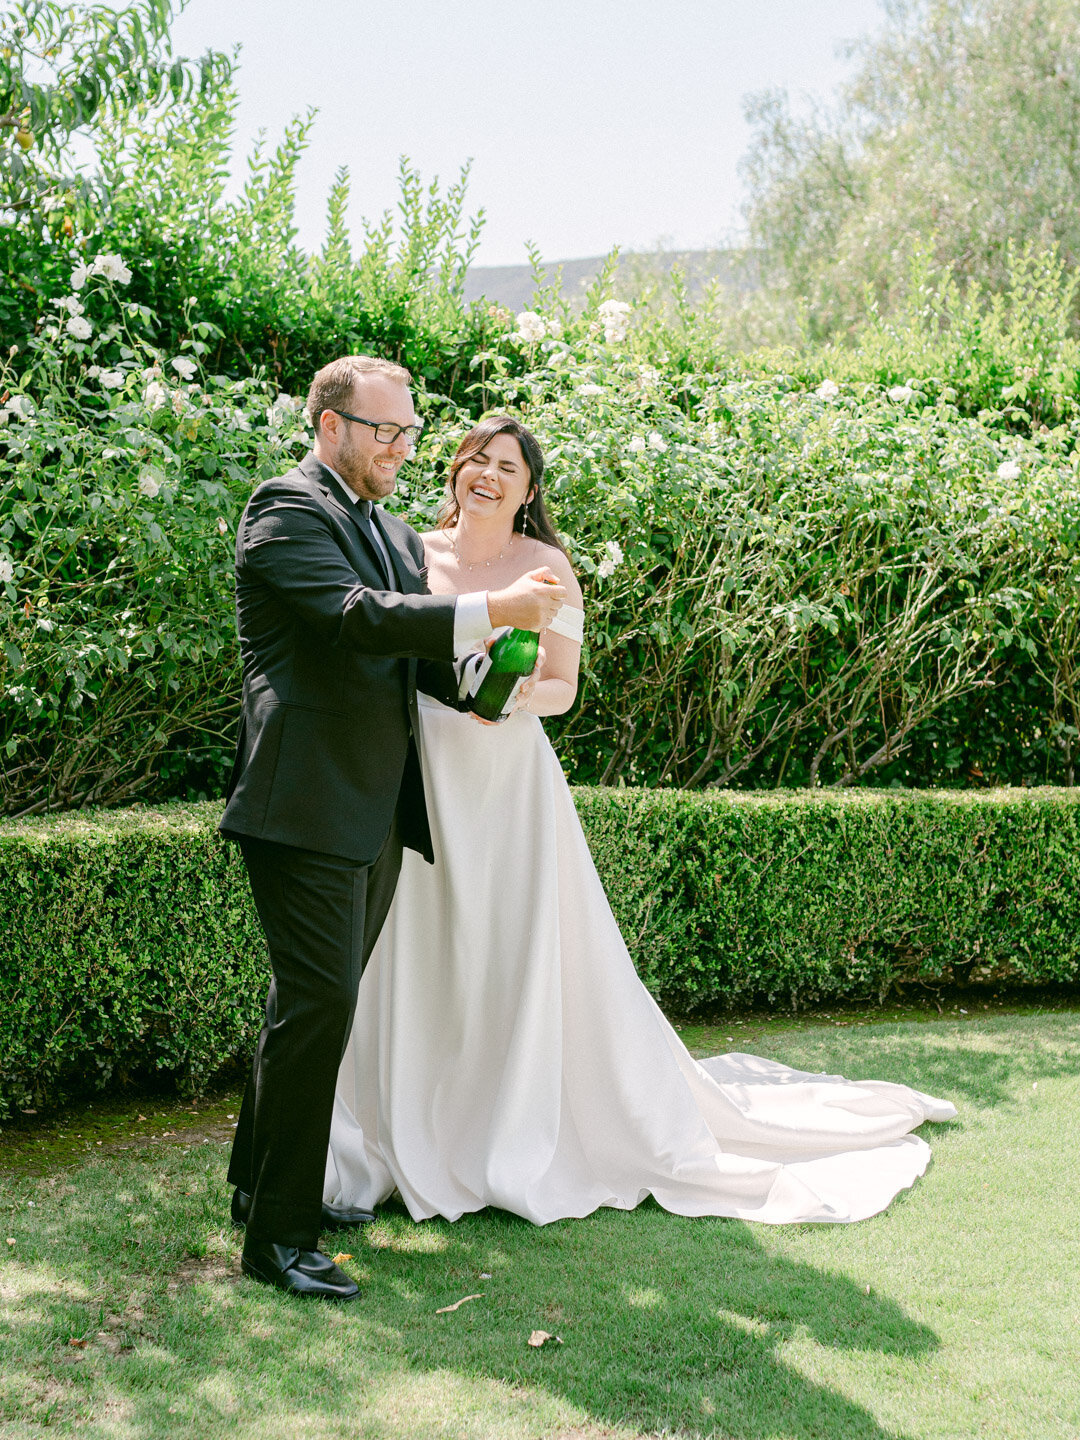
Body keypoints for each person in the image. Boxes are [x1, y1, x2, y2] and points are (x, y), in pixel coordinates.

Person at [325, 416, 957, 1227]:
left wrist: (514, 699)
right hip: (417, 772)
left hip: (503, 777)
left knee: (505, 945)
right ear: (453, 470)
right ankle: (405, 1119)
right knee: (417, 942)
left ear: (529, 488)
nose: (486, 475)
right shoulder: (411, 550)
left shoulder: (546, 567)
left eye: (507, 467)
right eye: (474, 460)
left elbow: (563, 686)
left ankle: (499, 1125)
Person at [220, 362, 566, 1301]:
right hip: (304, 806)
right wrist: (490, 606)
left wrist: (480, 682)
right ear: (331, 426)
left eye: (411, 433)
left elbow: (404, 661)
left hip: (373, 809)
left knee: (307, 1005)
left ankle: (259, 1183)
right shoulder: (285, 509)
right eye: (387, 433)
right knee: (318, 1006)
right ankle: (278, 1241)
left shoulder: (391, 528)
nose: (404, 451)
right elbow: (356, 621)